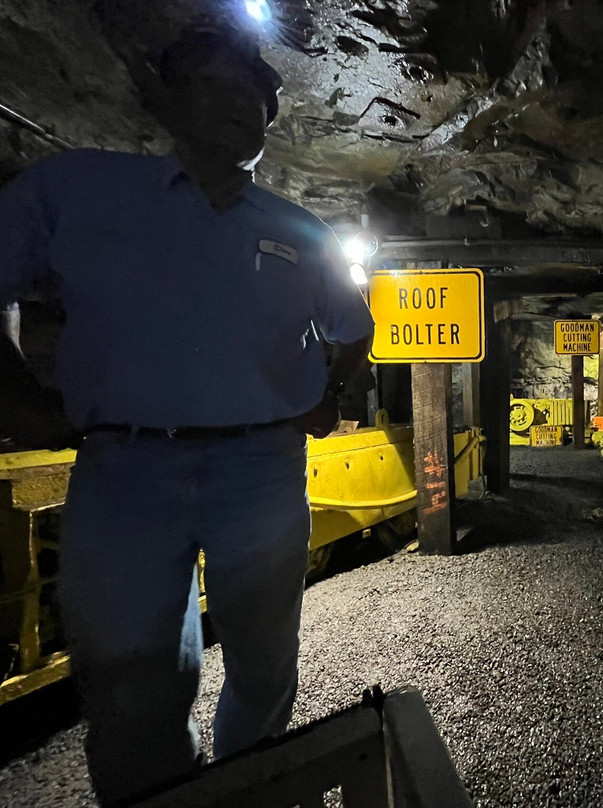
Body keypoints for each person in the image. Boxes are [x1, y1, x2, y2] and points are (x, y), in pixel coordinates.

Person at [0, 22, 374, 806]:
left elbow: (354, 328)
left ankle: (251, 790)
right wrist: (17, 396)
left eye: (254, 97)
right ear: (167, 100)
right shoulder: (77, 191)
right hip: (125, 467)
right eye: (213, 84)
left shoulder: (298, 228)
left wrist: (328, 397)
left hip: (262, 469)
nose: (238, 105)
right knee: (133, 674)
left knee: (267, 662)